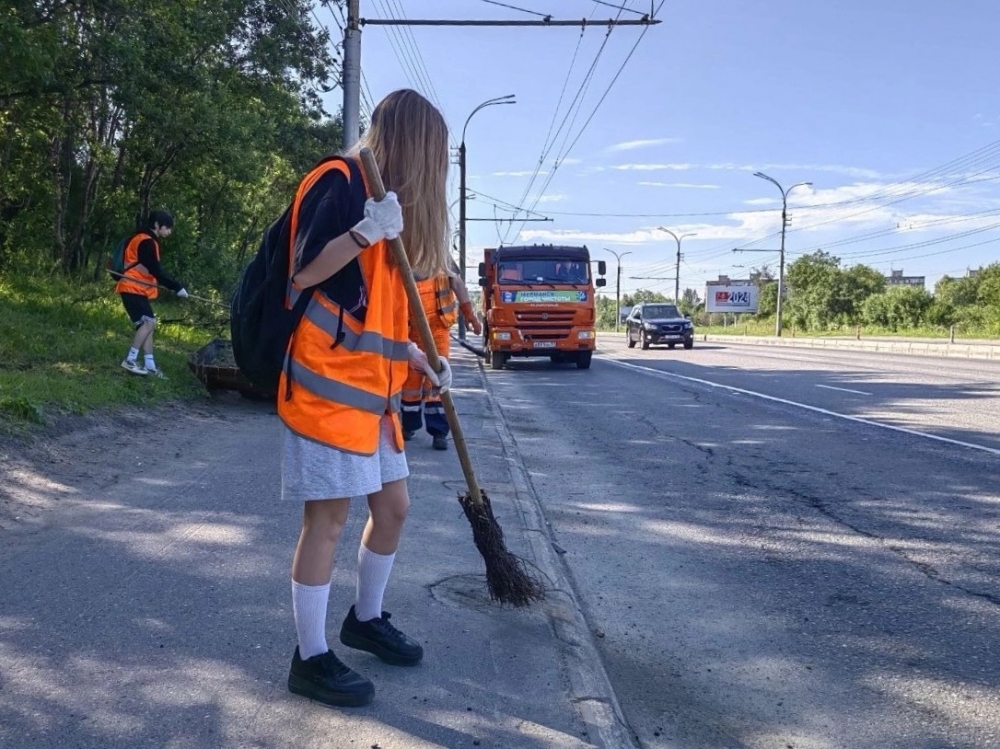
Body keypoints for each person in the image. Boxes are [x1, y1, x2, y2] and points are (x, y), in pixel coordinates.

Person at [279, 89, 453, 709]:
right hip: (325, 387)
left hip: (374, 394)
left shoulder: (391, 207)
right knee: (327, 521)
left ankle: (365, 619)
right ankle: (310, 658)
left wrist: (419, 358)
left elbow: (374, 313)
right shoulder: (340, 180)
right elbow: (304, 272)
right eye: (432, 155)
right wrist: (364, 230)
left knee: (394, 508)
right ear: (411, 144)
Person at [401, 259, 481, 450]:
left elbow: (457, 283)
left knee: (437, 378)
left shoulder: (440, 256)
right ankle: (409, 424)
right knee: (410, 381)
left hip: (438, 327)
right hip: (409, 328)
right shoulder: (403, 254)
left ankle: (438, 431)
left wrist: (469, 314)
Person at [114, 210, 188, 378]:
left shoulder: (142, 238)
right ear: (157, 225)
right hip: (132, 287)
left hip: (136, 288)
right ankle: (130, 359)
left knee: (147, 325)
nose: (169, 231)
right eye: (167, 227)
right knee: (149, 322)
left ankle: (150, 365)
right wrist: (177, 287)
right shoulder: (146, 241)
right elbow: (156, 271)